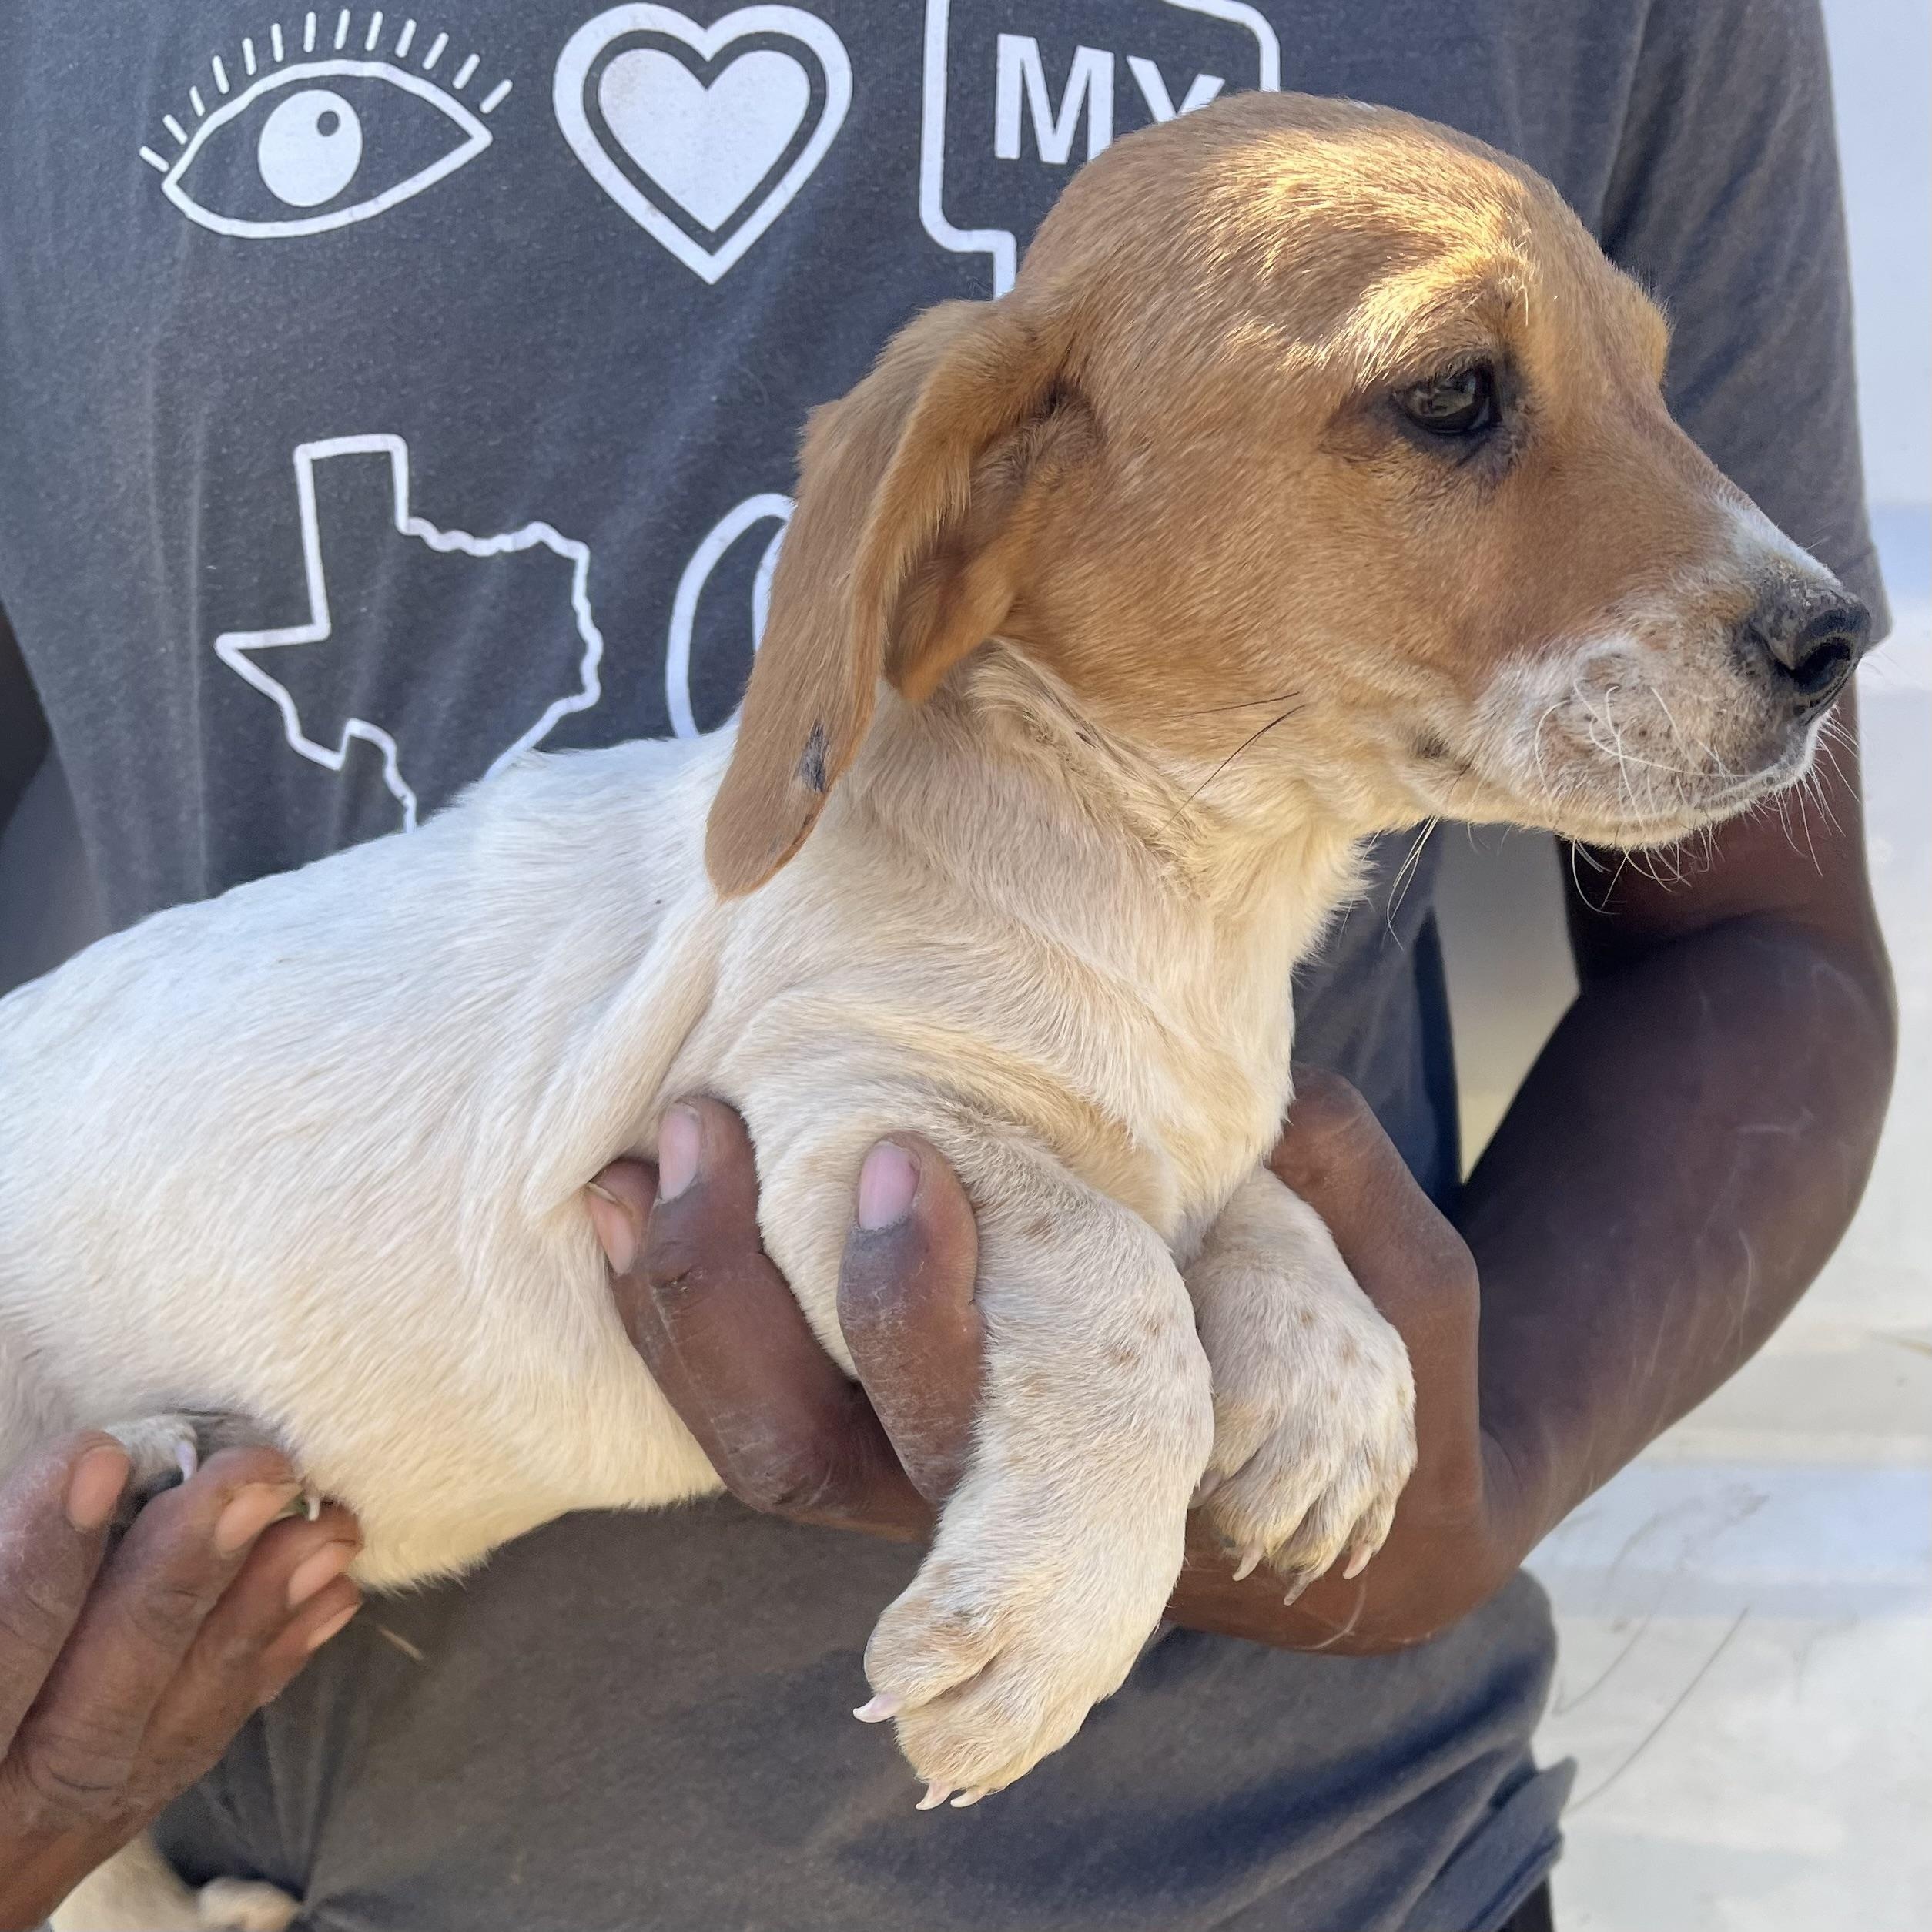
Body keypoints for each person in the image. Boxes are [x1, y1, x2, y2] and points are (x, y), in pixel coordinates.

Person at [0, 1, 1896, 1927]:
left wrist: (1456, 1450)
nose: (1761, 565)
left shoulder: (1169, 944)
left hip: (1333, 1869)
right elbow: (873, 1139)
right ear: (961, 507)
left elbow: (1763, 954)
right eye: (1456, 400)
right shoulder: (880, 880)